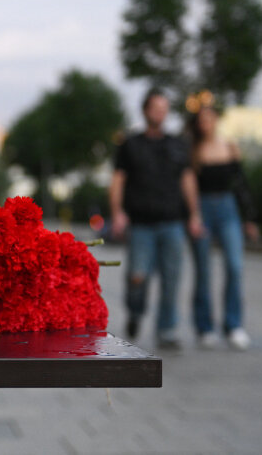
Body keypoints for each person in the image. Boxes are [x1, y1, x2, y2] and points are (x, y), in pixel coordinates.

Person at [109, 88, 203, 350]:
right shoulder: (130, 144)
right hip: (141, 224)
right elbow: (118, 180)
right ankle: (135, 311)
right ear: (145, 111)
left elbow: (187, 179)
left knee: (172, 279)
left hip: (172, 222)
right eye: (155, 108)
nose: (160, 113)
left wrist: (194, 214)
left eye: (164, 108)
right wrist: (117, 213)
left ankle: (167, 330)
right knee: (137, 278)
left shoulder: (178, 144)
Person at [186, 102, 258, 350]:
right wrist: (193, 215)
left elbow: (241, 183)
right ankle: (204, 327)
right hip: (202, 208)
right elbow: (188, 186)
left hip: (228, 208)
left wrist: (249, 218)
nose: (206, 123)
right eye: (201, 120)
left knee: (235, 266)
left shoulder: (229, 146)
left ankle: (233, 324)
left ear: (216, 119)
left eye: (209, 118)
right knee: (203, 271)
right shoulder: (193, 151)